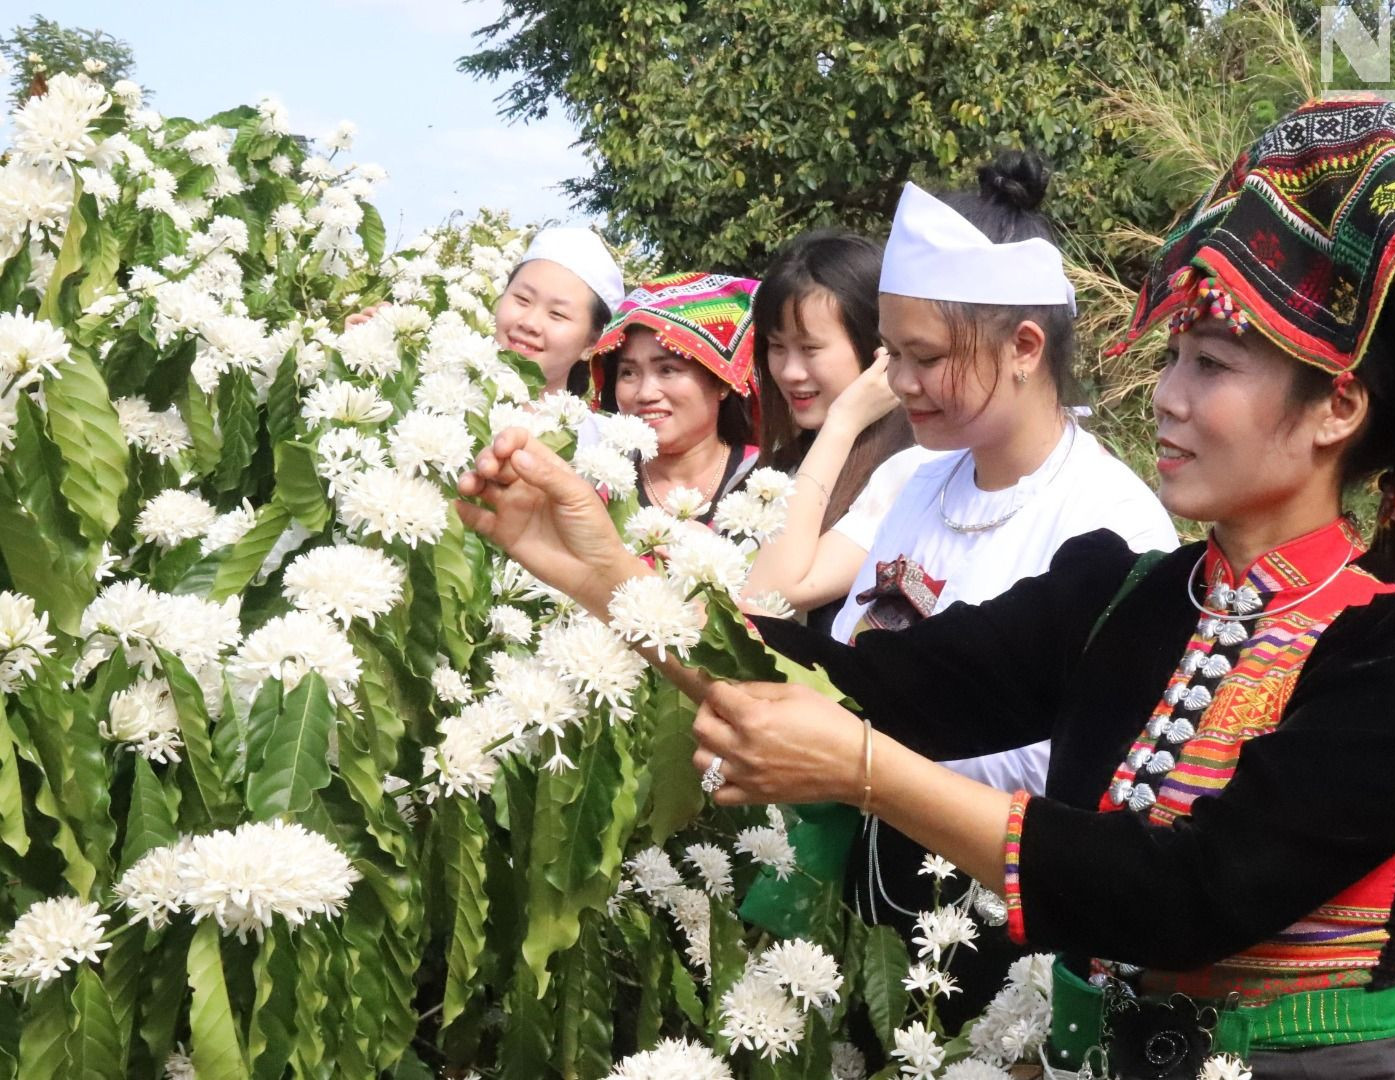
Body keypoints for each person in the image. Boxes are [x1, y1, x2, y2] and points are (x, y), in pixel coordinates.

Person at [456, 100, 1395, 1076]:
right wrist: (597, 571)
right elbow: (854, 683)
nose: (1163, 396)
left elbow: (1190, 895)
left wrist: (871, 773)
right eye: (1173, 360)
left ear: (1336, 408)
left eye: (1209, 364)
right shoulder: (1127, 597)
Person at [462, 151, 1178, 1019]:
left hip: (989, 931)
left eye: (923, 357)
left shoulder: (1113, 529)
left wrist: (849, 759)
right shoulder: (915, 480)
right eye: (891, 357)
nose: (898, 384)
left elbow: (1076, 765)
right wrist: (602, 570)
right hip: (851, 899)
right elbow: (793, 644)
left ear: (1025, 348)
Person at [745, 229, 926, 631]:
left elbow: (765, 597)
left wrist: (843, 422)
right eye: (777, 348)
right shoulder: (778, 464)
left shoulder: (911, 472)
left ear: (875, 348)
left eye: (810, 349)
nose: (790, 372)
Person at [349, 226, 624, 404]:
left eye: (557, 314)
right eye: (522, 299)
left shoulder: (592, 448)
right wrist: (363, 356)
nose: (529, 323)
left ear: (592, 341)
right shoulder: (435, 394)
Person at [591, 273, 761, 524]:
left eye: (667, 370)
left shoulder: (769, 482)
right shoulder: (596, 483)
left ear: (722, 382)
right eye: (628, 373)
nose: (646, 393)